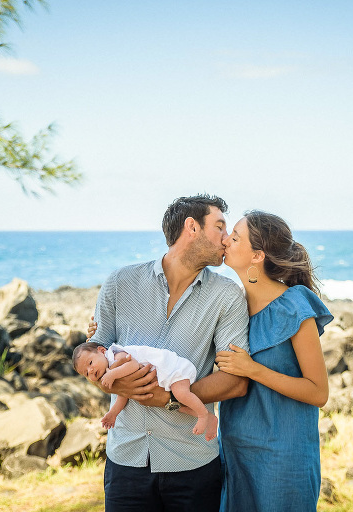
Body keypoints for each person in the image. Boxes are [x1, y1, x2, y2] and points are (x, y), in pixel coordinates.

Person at [86, 194, 249, 512]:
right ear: (192, 227)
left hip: (194, 463)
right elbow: (94, 358)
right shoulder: (121, 283)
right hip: (126, 460)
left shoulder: (227, 296)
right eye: (218, 227)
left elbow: (236, 381)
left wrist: (169, 399)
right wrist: (111, 381)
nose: (226, 239)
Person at [215, 210, 333, 512]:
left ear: (257, 256)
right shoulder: (231, 306)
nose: (226, 240)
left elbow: (318, 392)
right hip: (234, 449)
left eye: (235, 237)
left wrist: (252, 370)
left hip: (284, 457)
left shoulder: (294, 305)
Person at [73, 339, 218, 440]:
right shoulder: (111, 371)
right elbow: (124, 394)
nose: (91, 370)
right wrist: (113, 413)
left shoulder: (116, 354)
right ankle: (211, 419)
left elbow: (133, 366)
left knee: (181, 394)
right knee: (178, 406)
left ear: (101, 350)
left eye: (90, 363)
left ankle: (202, 414)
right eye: (86, 373)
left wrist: (112, 374)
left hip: (174, 368)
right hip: (165, 379)